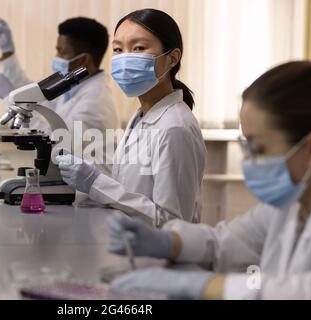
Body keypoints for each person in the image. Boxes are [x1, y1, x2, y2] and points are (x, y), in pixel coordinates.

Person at [107, 61, 311, 300]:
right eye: (246, 146)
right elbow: (225, 242)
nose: (247, 160)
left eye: (259, 148)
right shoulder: (290, 206)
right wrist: (166, 242)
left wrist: (199, 285)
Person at [56, 9, 206, 227]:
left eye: (138, 48)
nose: (125, 58)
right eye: (118, 49)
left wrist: (95, 183)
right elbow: (129, 194)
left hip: (158, 256)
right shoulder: (142, 116)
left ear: (172, 58)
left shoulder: (175, 128)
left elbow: (173, 222)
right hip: (131, 246)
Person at [0, 17, 120, 175]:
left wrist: (8, 97)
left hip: (87, 195)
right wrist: (7, 53)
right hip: (71, 184)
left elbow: (59, 143)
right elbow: (33, 93)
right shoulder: (72, 89)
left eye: (62, 52)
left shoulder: (96, 102)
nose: (56, 56)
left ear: (84, 59)